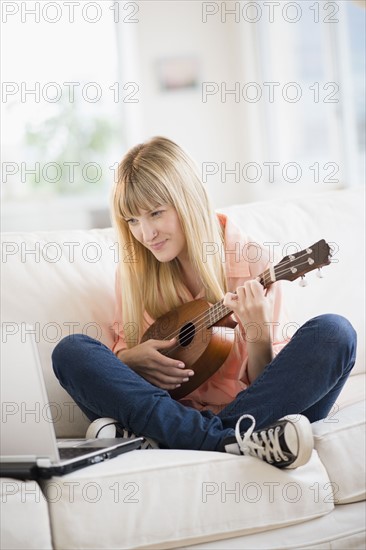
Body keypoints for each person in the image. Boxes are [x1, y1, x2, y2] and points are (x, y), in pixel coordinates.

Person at [52, 136, 357, 469]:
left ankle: (185, 440)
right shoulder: (135, 273)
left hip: (251, 412)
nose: (146, 233)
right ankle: (227, 442)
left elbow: (272, 386)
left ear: (187, 201)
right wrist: (129, 359)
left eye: (155, 213)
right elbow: (118, 376)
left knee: (334, 333)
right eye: (133, 221)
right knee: (71, 353)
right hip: (188, 416)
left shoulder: (251, 260)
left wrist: (256, 332)